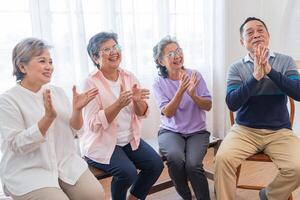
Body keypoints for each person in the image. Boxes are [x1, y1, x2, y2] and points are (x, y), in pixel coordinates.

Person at [0, 38, 104, 200]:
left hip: (65, 162)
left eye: (50, 61)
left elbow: (76, 131)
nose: (49, 66)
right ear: (22, 66)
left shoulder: (57, 92)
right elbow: (16, 145)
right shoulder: (7, 100)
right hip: (29, 171)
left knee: (95, 195)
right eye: (42, 61)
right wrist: (47, 119)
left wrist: (77, 110)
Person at [214, 17, 300, 200]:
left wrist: (270, 71)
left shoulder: (285, 62)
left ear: (268, 35)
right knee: (222, 160)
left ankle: (269, 195)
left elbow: (298, 93)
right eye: (250, 32)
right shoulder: (236, 68)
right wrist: (254, 77)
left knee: (298, 167)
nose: (256, 35)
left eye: (260, 30)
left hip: (279, 132)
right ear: (242, 42)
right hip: (245, 131)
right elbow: (232, 103)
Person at [81, 32, 164, 200]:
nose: (114, 52)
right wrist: (118, 104)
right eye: (107, 49)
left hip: (128, 138)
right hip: (102, 143)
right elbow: (92, 124)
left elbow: (141, 113)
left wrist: (138, 101)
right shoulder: (90, 82)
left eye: (115, 47)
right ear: (96, 58)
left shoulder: (129, 76)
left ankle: (133, 198)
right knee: (128, 172)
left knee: (156, 165)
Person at [152, 36, 212, 200]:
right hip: (170, 131)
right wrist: (181, 90)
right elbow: (168, 113)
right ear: (161, 61)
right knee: (175, 158)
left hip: (197, 132)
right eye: (170, 53)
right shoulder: (158, 83)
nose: (177, 55)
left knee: (193, 165)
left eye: (178, 51)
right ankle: (186, 196)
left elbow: (208, 106)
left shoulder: (195, 75)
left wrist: (193, 94)